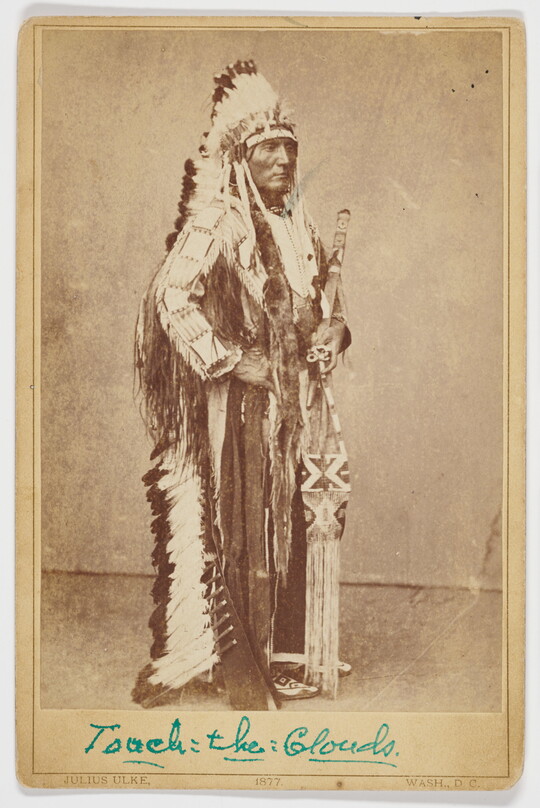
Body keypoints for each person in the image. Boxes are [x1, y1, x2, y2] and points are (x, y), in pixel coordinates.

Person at [133, 60, 351, 710]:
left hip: (293, 407)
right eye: (267, 148)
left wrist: (333, 335)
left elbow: (322, 311)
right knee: (245, 528)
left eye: (289, 146)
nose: (283, 158)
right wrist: (229, 360)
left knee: (292, 521)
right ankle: (241, 667)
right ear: (239, 159)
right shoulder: (223, 221)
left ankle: (286, 652)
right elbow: (171, 294)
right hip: (241, 413)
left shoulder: (298, 227)